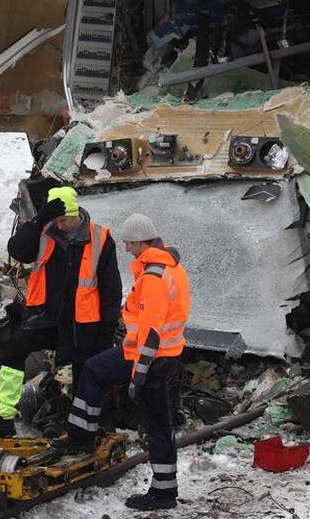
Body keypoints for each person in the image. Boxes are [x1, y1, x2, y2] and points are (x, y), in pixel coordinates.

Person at [58, 213, 190, 512]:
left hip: (151, 360)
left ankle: (163, 493)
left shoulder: (155, 277)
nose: (127, 249)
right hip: (145, 354)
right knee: (94, 369)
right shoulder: (168, 268)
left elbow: (151, 332)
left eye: (129, 243)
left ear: (141, 241)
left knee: (157, 424)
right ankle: (80, 435)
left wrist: (139, 374)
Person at [0, 185, 121, 440]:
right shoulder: (45, 232)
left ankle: (85, 432)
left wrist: (106, 331)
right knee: (14, 347)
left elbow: (111, 290)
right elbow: (17, 250)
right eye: (55, 220)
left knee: (84, 375)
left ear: (76, 214)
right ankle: (3, 416)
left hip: (83, 324)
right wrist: (39, 219)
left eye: (64, 220)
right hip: (47, 318)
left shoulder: (99, 238)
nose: (60, 225)